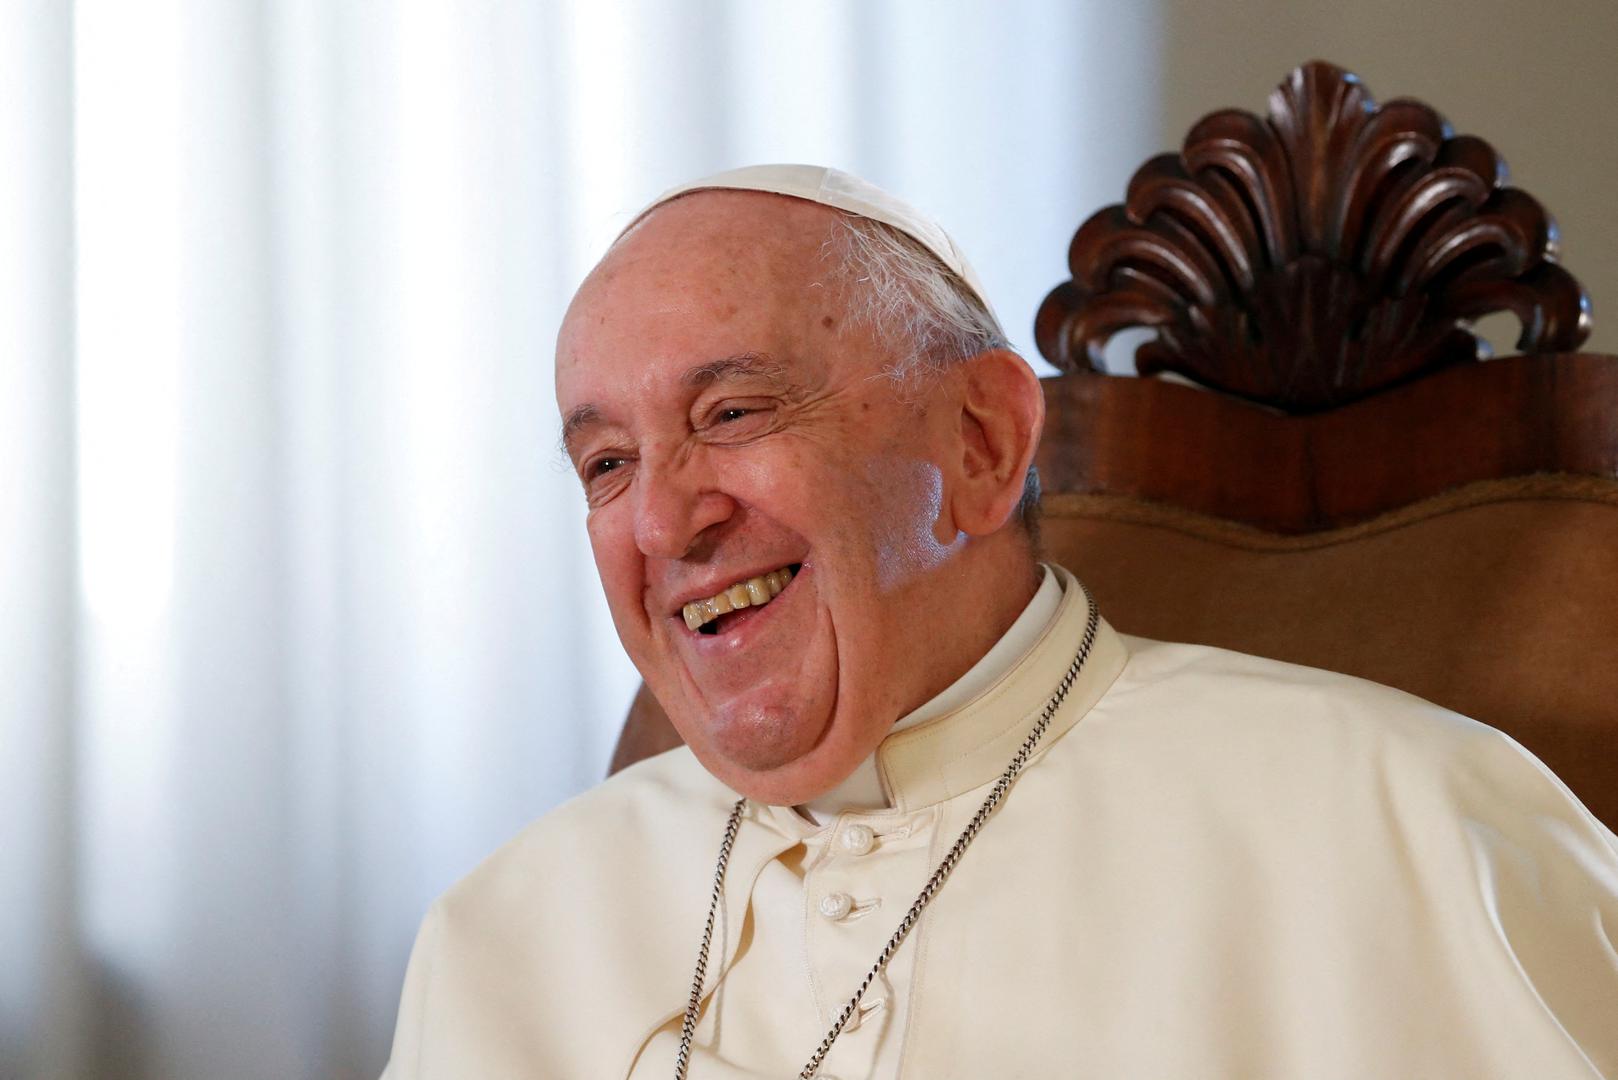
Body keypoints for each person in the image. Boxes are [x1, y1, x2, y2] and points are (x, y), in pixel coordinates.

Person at [381, 165, 1618, 1079]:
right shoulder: (504, 928)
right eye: (603, 464)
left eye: (734, 414)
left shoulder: (1404, 823)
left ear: (979, 444)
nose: (660, 523)